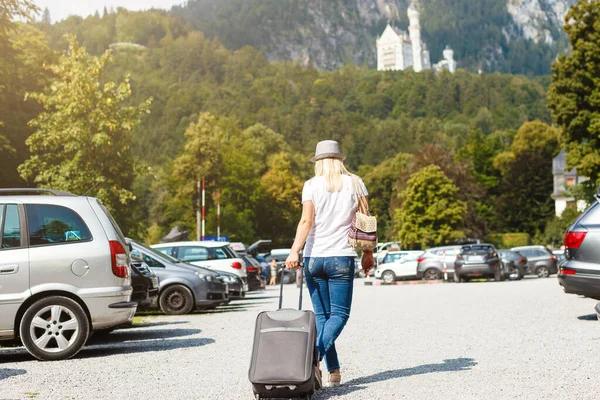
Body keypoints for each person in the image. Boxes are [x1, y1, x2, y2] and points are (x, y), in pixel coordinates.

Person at [285, 140, 374, 388]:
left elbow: (306, 222)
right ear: (339, 160)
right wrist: (368, 254)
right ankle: (313, 359)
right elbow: (366, 222)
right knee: (340, 315)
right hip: (342, 257)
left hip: (314, 258)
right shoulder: (356, 183)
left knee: (324, 317)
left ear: (319, 161)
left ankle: (332, 372)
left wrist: (295, 251)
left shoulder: (311, 186)